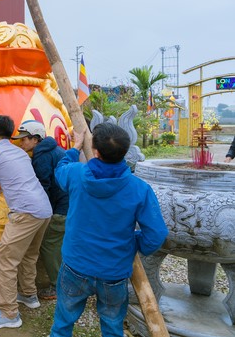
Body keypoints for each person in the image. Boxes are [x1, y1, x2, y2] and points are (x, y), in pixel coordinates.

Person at [50, 123, 168, 337]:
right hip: (114, 272)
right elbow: (157, 234)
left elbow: (59, 170)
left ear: (95, 151)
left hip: (76, 265)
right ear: (125, 150)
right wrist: (134, 244)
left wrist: (75, 147)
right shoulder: (139, 188)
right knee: (113, 326)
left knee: (63, 321)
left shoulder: (76, 174)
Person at [0, 115, 53, 330]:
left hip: (26, 212)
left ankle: (9, 313)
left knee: (4, 260)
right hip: (44, 209)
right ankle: (29, 295)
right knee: (29, 254)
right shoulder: (20, 152)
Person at [14, 120, 67, 300]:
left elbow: (42, 186)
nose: (21, 143)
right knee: (60, 243)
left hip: (61, 208)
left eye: (24, 140)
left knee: (49, 245)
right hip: (69, 205)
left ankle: (58, 287)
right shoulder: (55, 149)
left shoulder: (42, 155)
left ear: (36, 139)